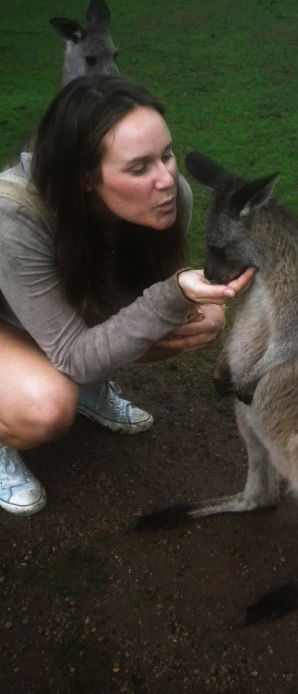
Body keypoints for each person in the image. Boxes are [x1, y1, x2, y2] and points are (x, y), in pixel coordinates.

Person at [0, 75, 254, 517]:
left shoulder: (172, 201)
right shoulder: (14, 218)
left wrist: (184, 300)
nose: (166, 180)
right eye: (139, 168)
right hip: (7, 320)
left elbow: (128, 298)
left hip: (52, 321)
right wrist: (172, 293)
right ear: (83, 178)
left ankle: (89, 386)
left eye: (167, 156)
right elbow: (81, 349)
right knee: (48, 406)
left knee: (204, 318)